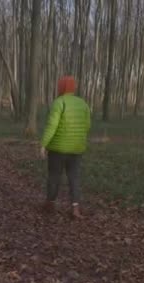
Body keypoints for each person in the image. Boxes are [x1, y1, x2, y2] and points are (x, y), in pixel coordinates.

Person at [40, 76, 91, 219]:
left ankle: (50, 204)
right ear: (73, 88)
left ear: (61, 87)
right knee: (74, 177)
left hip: (58, 149)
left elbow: (52, 126)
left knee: (54, 176)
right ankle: (75, 209)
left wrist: (43, 144)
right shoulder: (83, 104)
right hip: (76, 149)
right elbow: (87, 126)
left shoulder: (59, 102)